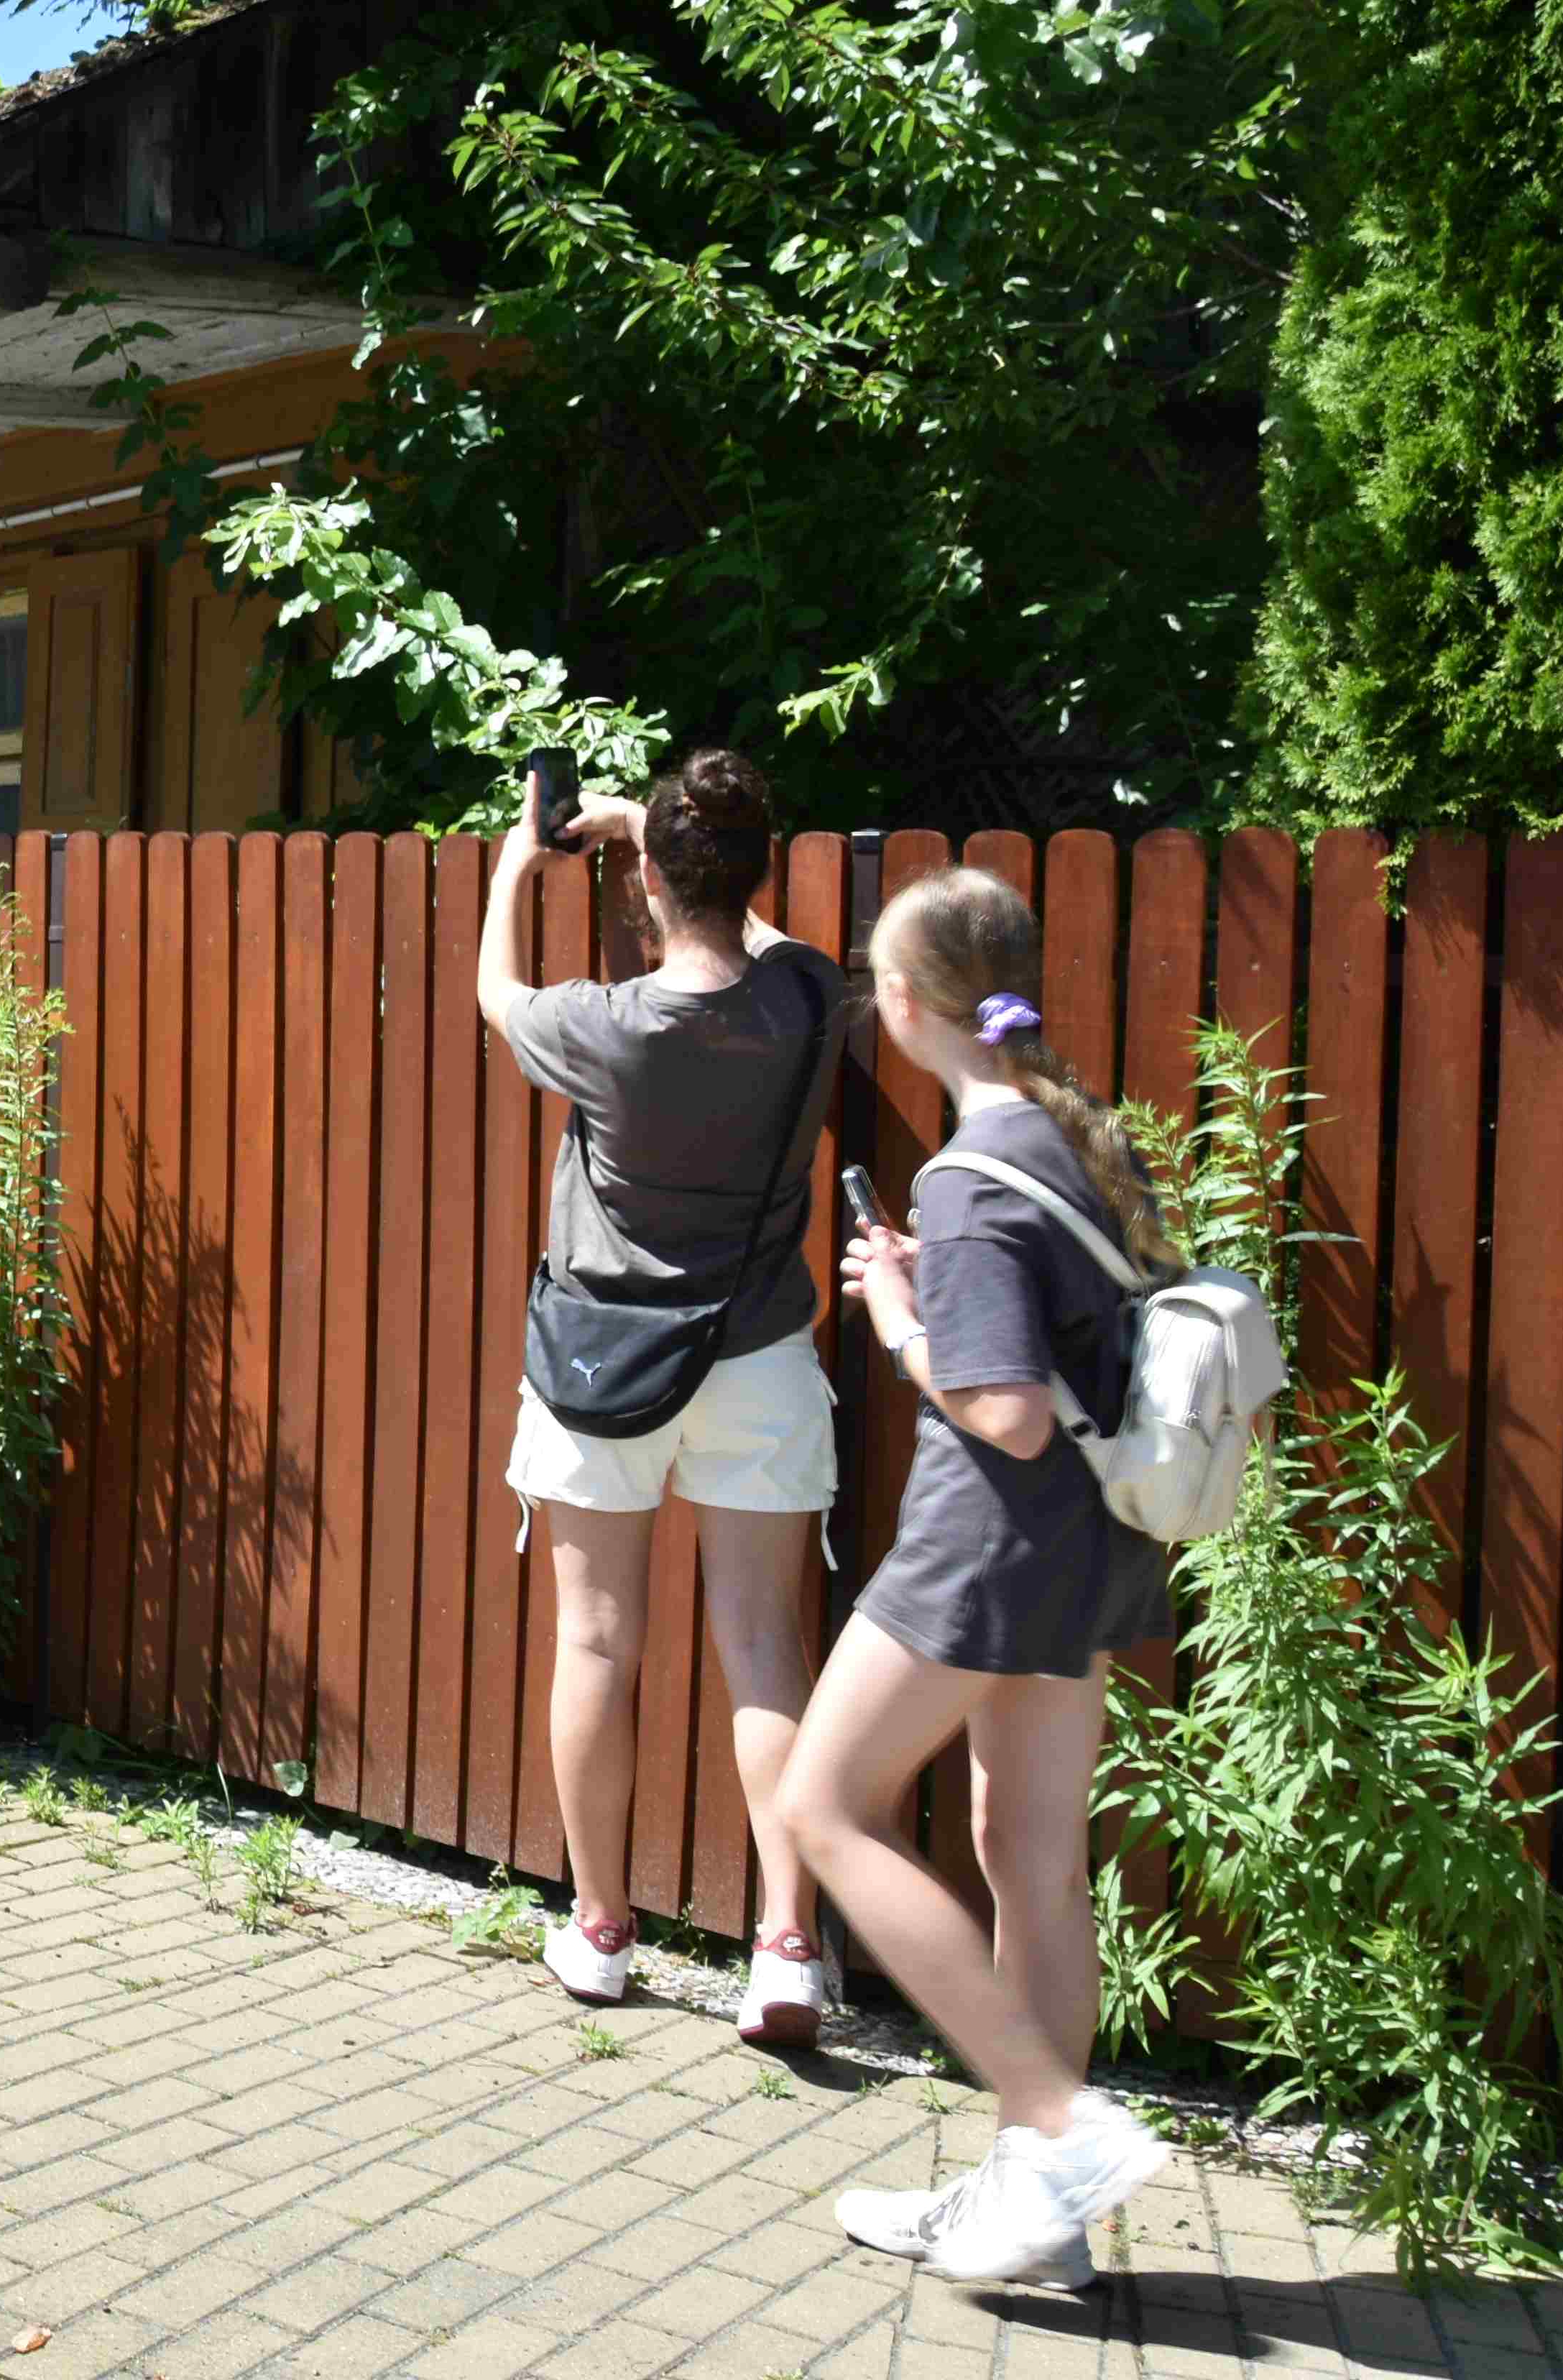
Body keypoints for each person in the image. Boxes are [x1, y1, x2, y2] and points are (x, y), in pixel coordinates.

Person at [778, 868, 1176, 2286]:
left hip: (989, 1539)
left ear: (901, 1002)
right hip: (1093, 1544)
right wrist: (937, 1277)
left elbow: (1003, 1407)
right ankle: (1041, 2212)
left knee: (822, 1803)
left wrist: (898, 1316)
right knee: (1031, 1858)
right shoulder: (1082, 1133)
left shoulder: (970, 1167)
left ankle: (1061, 2126)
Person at [481, 748, 848, 2044]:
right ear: (753, 873)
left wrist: (519, 866)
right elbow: (777, 945)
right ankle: (788, 1950)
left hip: (602, 1367)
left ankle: (599, 1933)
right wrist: (673, 845)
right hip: (757, 1360)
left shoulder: (606, 1024)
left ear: (648, 882)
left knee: (595, 1643)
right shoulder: (805, 998)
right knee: (764, 1648)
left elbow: (494, 991)